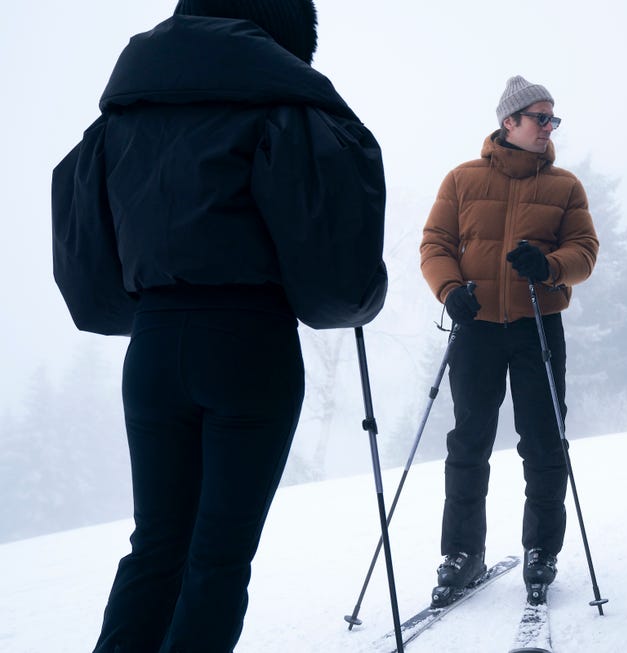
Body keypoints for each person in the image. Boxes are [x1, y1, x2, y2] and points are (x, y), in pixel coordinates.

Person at [51, 1, 387, 651]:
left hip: (151, 349)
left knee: (154, 549)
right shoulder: (283, 106)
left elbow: (90, 266)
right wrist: (360, 299)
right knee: (217, 561)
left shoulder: (122, 110)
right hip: (248, 343)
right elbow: (332, 276)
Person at [419, 75, 599, 604]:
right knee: (469, 442)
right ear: (509, 122)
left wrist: (548, 266)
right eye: (539, 117)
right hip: (475, 328)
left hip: (537, 326)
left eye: (552, 119)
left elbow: (584, 251)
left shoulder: (565, 186)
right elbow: (435, 243)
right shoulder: (462, 179)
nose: (548, 126)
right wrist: (449, 290)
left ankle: (541, 551)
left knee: (543, 441)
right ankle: (462, 554)